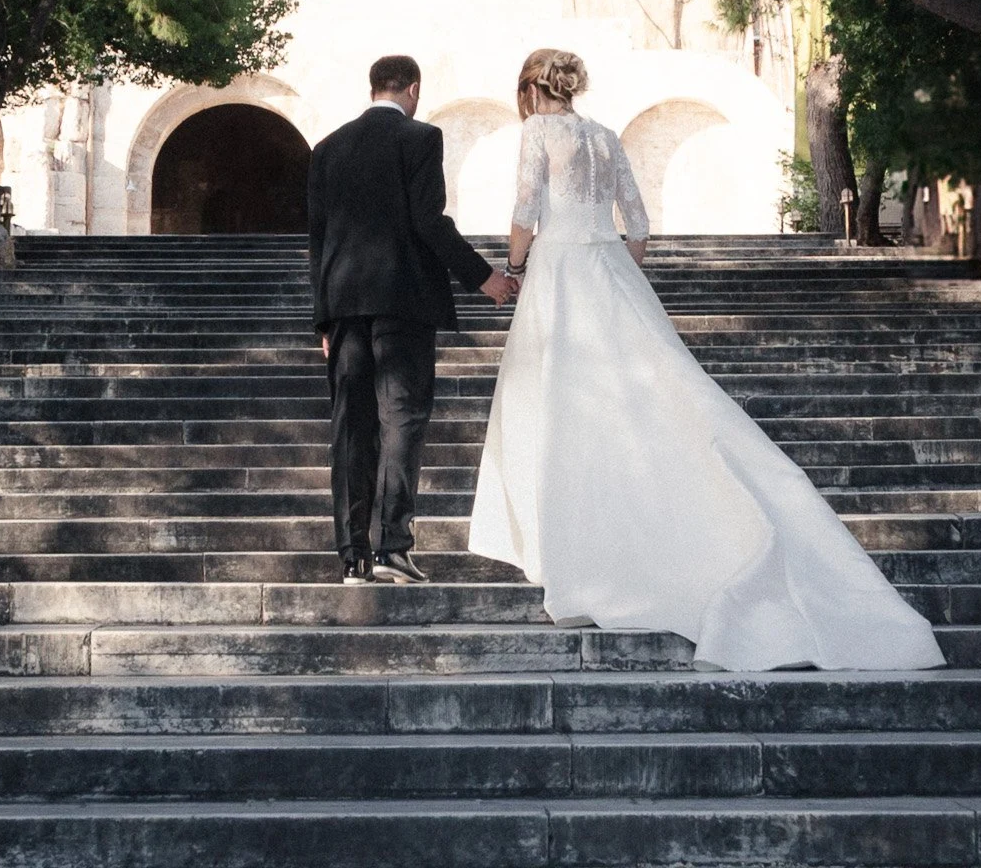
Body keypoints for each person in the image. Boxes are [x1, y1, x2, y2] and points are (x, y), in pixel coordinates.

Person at [468, 48, 946, 672]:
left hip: (559, 276)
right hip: (610, 273)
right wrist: (614, 274)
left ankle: (577, 560)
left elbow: (526, 212)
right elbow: (636, 224)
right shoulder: (607, 137)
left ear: (532, 89)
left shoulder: (537, 132)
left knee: (562, 413)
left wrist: (517, 266)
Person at [308, 53, 519, 585]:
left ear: (373, 86)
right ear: (413, 90)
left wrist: (323, 322)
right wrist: (483, 277)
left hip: (345, 309)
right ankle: (393, 549)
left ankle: (353, 556)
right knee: (400, 421)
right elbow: (429, 221)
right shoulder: (421, 139)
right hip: (403, 303)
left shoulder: (327, 149)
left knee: (350, 431)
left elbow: (318, 240)